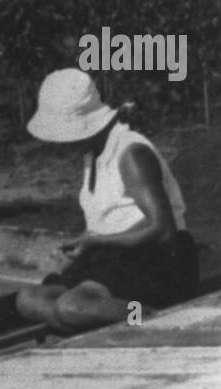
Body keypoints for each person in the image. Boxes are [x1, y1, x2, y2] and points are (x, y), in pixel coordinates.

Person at [15, 69, 199, 331]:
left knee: (71, 306)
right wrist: (84, 244)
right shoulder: (94, 154)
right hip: (114, 257)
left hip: (157, 261)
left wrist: (96, 242)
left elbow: (162, 230)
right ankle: (96, 322)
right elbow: (109, 218)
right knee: (30, 299)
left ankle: (153, 318)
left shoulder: (131, 153)